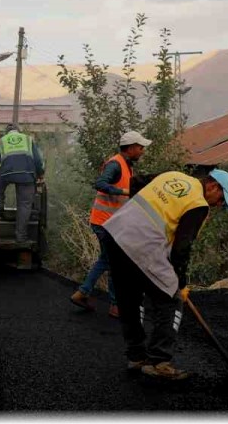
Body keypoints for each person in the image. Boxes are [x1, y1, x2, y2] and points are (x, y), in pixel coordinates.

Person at [103, 168, 228, 381]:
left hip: (116, 231)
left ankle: (136, 357)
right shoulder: (198, 204)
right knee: (171, 299)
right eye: (221, 198)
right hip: (142, 244)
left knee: (129, 297)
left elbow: (137, 181)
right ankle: (159, 361)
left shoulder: (173, 175)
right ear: (212, 186)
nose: (219, 204)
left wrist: (135, 214)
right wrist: (180, 284)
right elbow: (181, 249)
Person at [71, 130, 152, 319]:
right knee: (115, 262)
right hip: (104, 223)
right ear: (131, 148)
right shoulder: (116, 164)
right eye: (140, 148)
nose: (142, 151)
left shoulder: (126, 165)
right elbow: (100, 183)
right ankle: (115, 306)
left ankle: (82, 293)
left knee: (107, 260)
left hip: (109, 223)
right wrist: (125, 191)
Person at [0, 123, 46, 245]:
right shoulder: (28, 139)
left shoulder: (1, 141)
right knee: (24, 205)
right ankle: (21, 237)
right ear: (19, 131)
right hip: (26, 175)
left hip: (7, 173)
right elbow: (38, 160)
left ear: (7, 132)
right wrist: (40, 174)